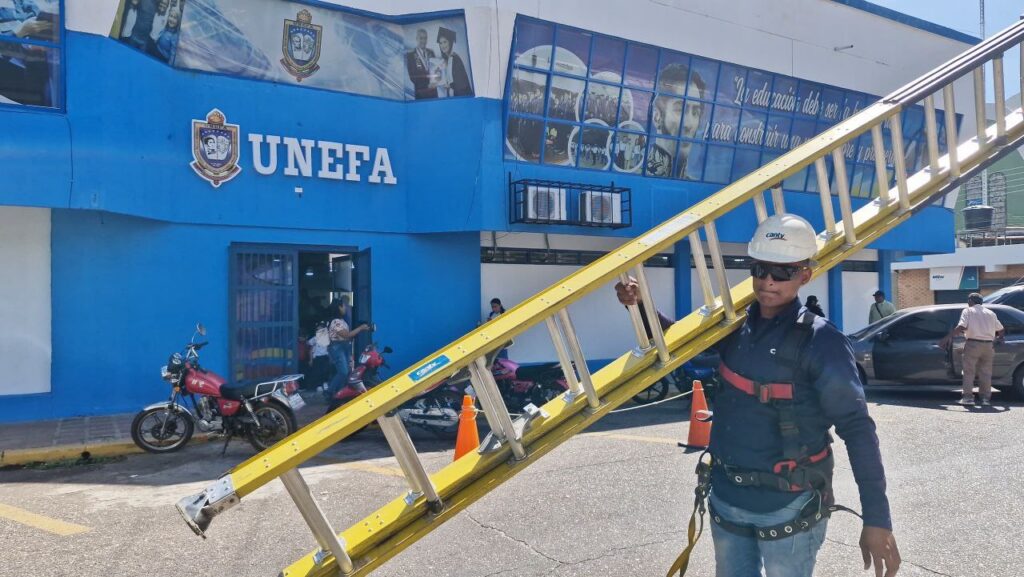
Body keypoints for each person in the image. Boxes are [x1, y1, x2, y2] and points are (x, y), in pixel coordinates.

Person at [616, 213, 899, 577]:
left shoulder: (822, 341)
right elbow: (679, 344)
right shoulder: (735, 326)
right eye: (760, 269)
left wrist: (877, 518)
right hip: (727, 499)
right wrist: (640, 305)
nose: (768, 281)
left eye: (782, 272)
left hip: (790, 506)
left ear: (805, 275)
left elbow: (857, 428)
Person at [939, 293, 1004, 406]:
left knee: (969, 372)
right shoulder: (991, 313)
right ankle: (985, 399)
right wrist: (999, 339)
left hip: (973, 344)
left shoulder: (968, 311)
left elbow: (962, 326)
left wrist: (947, 338)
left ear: (970, 301)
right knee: (985, 373)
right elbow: (1001, 329)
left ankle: (968, 398)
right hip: (988, 345)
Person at [325, 301, 370, 399]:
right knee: (343, 372)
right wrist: (360, 328)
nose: (345, 308)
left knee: (347, 371)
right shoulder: (336, 322)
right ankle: (329, 392)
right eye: (343, 306)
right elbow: (346, 335)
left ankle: (339, 393)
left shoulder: (341, 321)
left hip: (343, 347)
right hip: (337, 348)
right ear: (339, 308)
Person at [433, 27, 471, 97]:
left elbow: (462, 84)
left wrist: (450, 86)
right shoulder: (447, 60)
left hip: (461, 97)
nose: (442, 45)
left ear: (450, 43)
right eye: (440, 43)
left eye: (445, 42)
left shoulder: (455, 59)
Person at [405, 28, 436, 100]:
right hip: (421, 93)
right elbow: (412, 77)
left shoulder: (431, 52)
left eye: (425, 38)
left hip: (434, 93)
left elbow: (436, 70)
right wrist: (427, 85)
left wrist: (435, 81)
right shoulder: (411, 55)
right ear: (417, 39)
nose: (423, 41)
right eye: (421, 38)